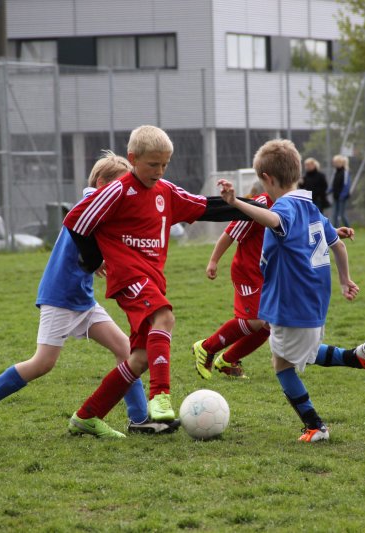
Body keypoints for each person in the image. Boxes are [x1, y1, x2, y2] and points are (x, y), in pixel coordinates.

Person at [0, 151, 179, 438]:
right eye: (120, 184)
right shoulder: (91, 204)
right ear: (102, 183)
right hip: (60, 297)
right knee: (43, 363)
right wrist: (97, 260)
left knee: (125, 349)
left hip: (82, 299)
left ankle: (139, 419)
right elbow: (85, 242)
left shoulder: (103, 207)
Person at [62, 125, 262, 438]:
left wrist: (251, 207)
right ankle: (160, 396)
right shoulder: (118, 190)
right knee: (164, 317)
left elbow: (205, 207)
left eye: (164, 164)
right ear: (133, 159)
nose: (159, 171)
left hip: (152, 279)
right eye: (152, 164)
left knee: (140, 359)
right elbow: (76, 221)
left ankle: (87, 416)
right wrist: (92, 260)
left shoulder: (165, 191)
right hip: (128, 277)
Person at [218, 139, 365, 443]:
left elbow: (274, 220)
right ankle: (359, 357)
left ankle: (316, 425)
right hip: (312, 301)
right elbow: (338, 246)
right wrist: (345, 280)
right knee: (304, 352)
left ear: (267, 179)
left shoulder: (284, 206)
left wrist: (237, 203)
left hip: (291, 302)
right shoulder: (310, 206)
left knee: (282, 365)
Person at [192, 183, 273, 380]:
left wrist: (331, 232)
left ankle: (228, 360)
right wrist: (213, 261)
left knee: (270, 325)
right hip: (248, 272)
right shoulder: (260, 204)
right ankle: (206, 347)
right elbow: (230, 233)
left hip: (270, 274)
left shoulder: (290, 203)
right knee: (255, 321)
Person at [330, 155, 351, 228]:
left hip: (342, 197)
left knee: (342, 215)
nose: (335, 164)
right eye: (334, 162)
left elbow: (346, 185)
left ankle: (349, 229)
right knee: (334, 214)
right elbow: (333, 184)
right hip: (335, 196)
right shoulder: (335, 172)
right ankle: (335, 230)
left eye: (336, 162)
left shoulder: (345, 172)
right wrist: (329, 191)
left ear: (341, 163)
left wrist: (342, 195)